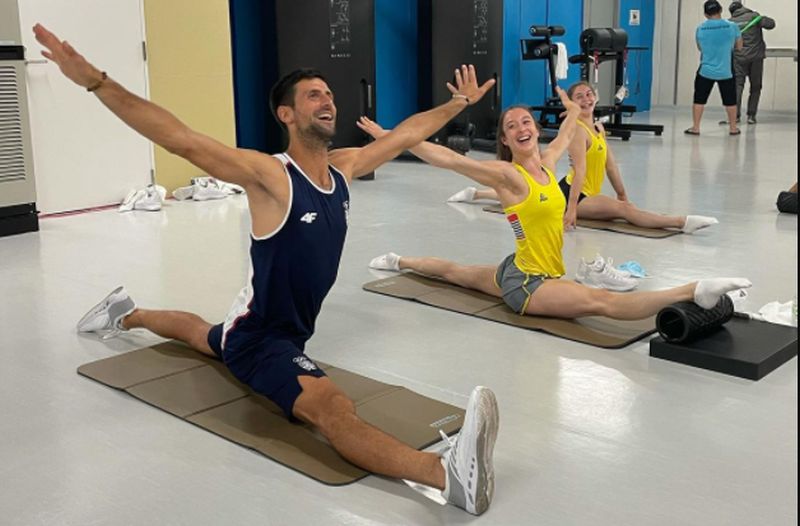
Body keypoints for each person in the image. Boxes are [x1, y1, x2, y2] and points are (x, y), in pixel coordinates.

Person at [34, 24, 500, 515]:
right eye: (313, 95)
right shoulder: (271, 176)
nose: (328, 101)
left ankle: (126, 313)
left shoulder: (343, 168)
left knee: (203, 334)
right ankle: (445, 477)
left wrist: (456, 105)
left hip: (259, 327)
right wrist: (97, 81)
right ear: (287, 114)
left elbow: (406, 133)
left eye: (329, 94)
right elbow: (182, 140)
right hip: (262, 341)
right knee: (332, 407)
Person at [361, 88, 751, 318]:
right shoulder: (508, 176)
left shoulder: (548, 164)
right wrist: (391, 138)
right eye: (511, 126)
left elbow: (566, 131)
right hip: (528, 284)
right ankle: (694, 289)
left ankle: (399, 260)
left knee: (454, 272)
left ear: (534, 129)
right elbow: (450, 159)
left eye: (525, 122)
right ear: (506, 141)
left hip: (515, 267)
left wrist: (572, 107)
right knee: (602, 302)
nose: (521, 128)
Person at [446, 81, 719, 238]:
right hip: (575, 193)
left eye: (589, 94)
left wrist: (622, 193)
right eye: (579, 97)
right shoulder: (578, 131)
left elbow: (610, 164)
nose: (586, 99)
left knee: (521, 191)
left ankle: (477, 193)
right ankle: (682, 222)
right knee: (624, 213)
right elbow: (579, 170)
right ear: (572, 103)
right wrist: (572, 208)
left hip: (583, 191)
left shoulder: (598, 127)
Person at [685, 0, 743, 136]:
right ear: (721, 10)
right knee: (730, 101)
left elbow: (700, 48)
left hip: (705, 70)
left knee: (699, 99)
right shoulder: (732, 26)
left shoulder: (700, 28)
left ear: (705, 14)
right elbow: (739, 47)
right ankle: (733, 128)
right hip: (726, 71)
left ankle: (696, 128)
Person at [719, 2, 776, 125]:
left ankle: (735, 116)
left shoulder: (730, 23)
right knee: (755, 87)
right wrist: (762, 18)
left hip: (738, 58)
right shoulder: (754, 17)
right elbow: (771, 24)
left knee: (737, 86)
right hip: (756, 58)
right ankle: (751, 116)